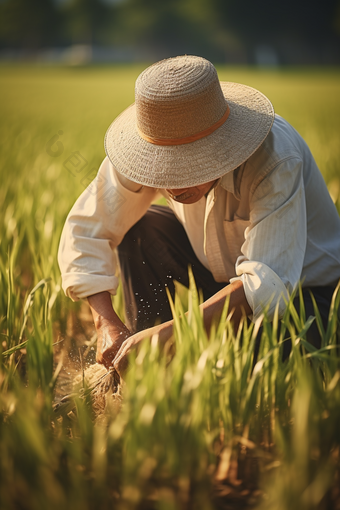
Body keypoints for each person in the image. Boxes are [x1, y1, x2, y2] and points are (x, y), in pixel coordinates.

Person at [58, 55, 340, 376]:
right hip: (217, 284)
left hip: (304, 298)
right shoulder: (148, 141)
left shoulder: (275, 158)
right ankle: (137, 365)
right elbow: (87, 230)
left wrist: (169, 336)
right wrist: (105, 322)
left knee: (255, 367)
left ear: (221, 147)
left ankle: (163, 351)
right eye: (163, 170)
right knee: (143, 227)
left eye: (189, 168)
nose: (175, 188)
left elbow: (267, 286)